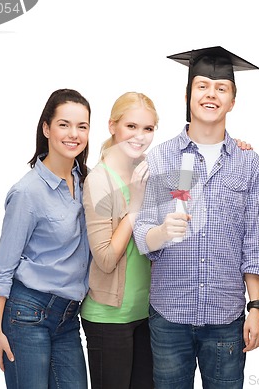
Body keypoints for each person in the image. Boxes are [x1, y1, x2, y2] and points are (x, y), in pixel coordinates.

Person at [133, 46, 259, 389]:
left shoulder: (247, 163)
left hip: (226, 316)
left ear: (232, 100)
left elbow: (252, 241)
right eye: (203, 86)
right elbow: (142, 233)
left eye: (221, 88)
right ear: (188, 95)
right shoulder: (162, 158)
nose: (211, 94)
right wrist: (162, 232)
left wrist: (256, 306)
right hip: (169, 314)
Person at [0, 89, 92, 389]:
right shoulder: (27, 193)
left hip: (68, 318)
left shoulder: (88, 182)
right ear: (46, 128)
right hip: (26, 314)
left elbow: (123, 163)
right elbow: (3, 267)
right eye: (64, 124)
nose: (73, 134)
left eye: (82, 126)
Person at [80, 92, 158, 389]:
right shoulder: (99, 180)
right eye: (131, 127)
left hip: (146, 314)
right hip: (109, 319)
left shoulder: (148, 170)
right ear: (112, 126)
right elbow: (106, 258)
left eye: (148, 129)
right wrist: (135, 207)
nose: (140, 137)